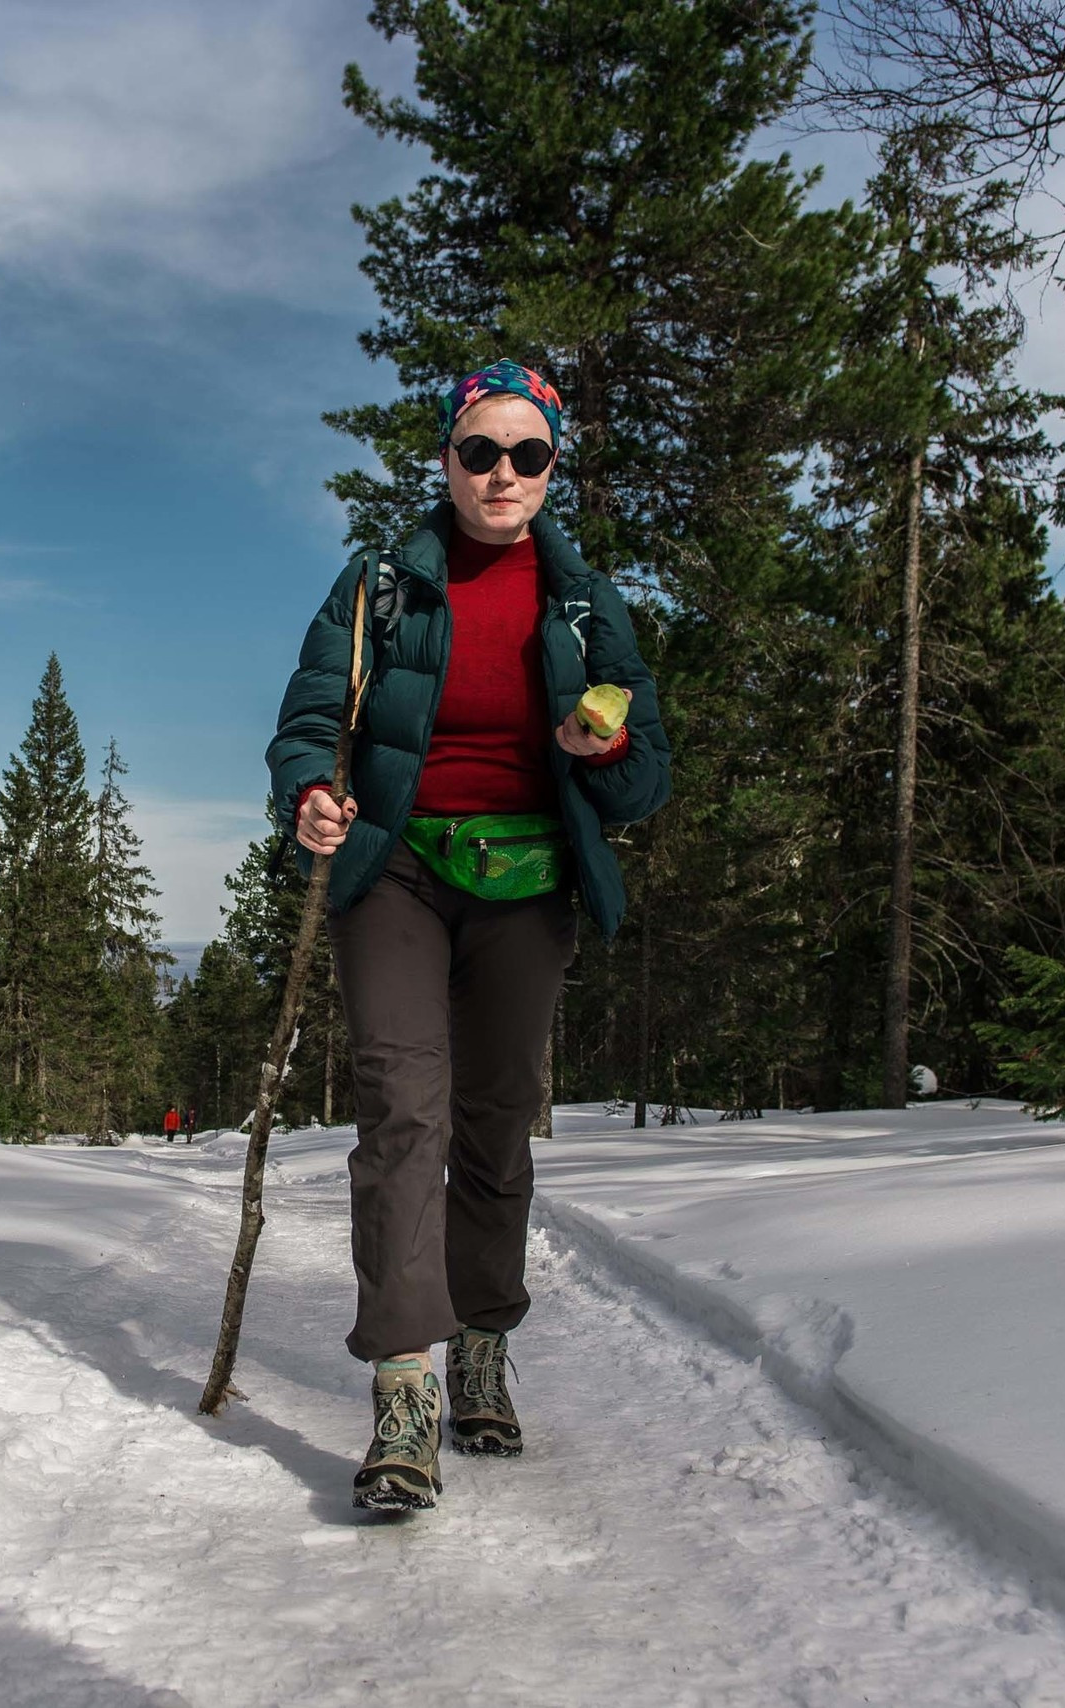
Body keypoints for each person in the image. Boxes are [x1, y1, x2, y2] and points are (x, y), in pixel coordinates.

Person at [268, 360, 670, 1512]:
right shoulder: (381, 583)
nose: (503, 473)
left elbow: (647, 780)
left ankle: (483, 1340)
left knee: (494, 1123)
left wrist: (605, 755)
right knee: (403, 1109)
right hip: (394, 863)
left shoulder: (588, 606)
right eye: (480, 451)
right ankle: (404, 1393)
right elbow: (307, 715)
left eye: (527, 453)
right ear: (445, 461)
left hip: (530, 879)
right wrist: (309, 793)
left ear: (553, 470)